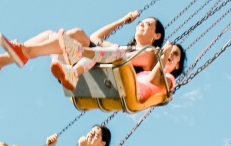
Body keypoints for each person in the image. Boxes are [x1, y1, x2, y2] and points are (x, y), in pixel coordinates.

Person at [0, 11, 165, 78]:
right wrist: (123, 20)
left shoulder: (150, 55)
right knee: (50, 34)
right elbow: (96, 38)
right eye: (140, 23)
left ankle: (21, 53)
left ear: (156, 36)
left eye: (146, 24)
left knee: (76, 33)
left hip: (90, 72)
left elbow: (103, 50)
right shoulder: (124, 48)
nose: (141, 25)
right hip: (84, 65)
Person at [53, 37, 187, 107]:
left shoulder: (170, 79)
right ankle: (73, 72)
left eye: (175, 54)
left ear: (177, 66)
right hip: (123, 84)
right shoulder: (146, 71)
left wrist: (163, 58)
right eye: (170, 52)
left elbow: (154, 80)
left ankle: (80, 51)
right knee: (106, 57)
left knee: (116, 55)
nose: (171, 55)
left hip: (132, 91)